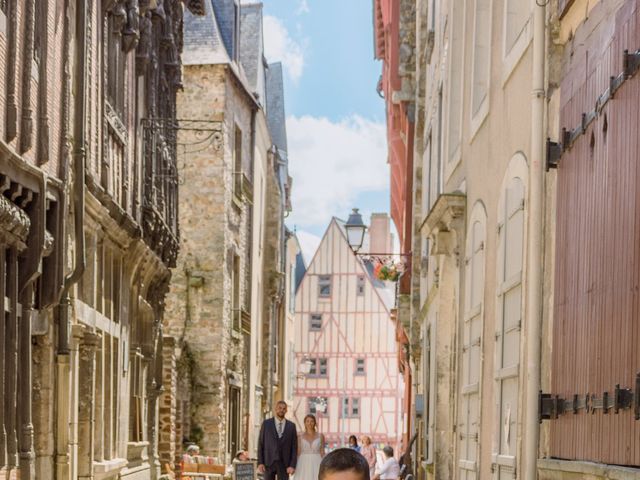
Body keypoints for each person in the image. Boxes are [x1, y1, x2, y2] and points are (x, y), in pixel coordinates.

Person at [258, 401, 298, 480]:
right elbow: (261, 444)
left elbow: (294, 447)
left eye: (284, 409)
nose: (281, 410)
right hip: (268, 462)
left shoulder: (291, 426)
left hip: (284, 463)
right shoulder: (266, 424)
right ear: (275, 409)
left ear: (286, 411)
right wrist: (260, 462)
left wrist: (292, 465)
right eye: (279, 408)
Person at [296, 414, 325, 480]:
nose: (310, 423)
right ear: (305, 423)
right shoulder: (300, 436)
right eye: (307, 421)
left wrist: (325, 465)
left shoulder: (321, 436)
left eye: (312, 421)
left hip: (317, 462)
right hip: (303, 463)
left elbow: (322, 451)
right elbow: (298, 452)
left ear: (315, 423)